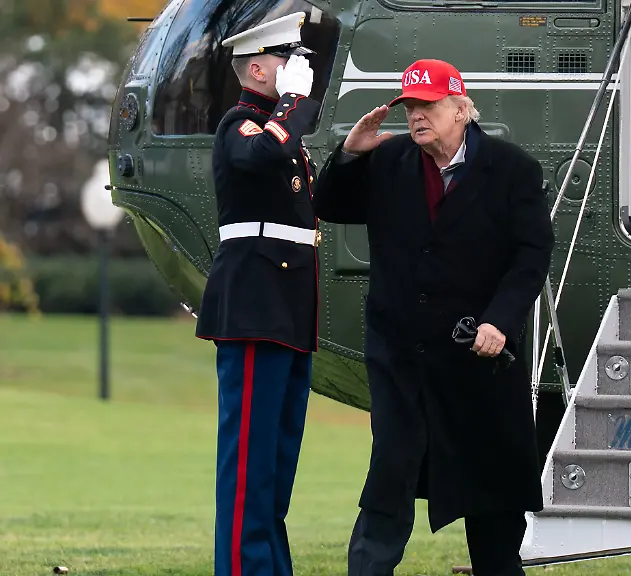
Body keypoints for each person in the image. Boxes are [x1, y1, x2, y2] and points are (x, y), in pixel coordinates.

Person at [314, 58, 555, 575]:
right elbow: (328, 204)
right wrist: (351, 153)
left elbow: (531, 256)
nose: (417, 116)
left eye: (429, 105)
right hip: (401, 355)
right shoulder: (387, 160)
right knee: (391, 469)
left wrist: (500, 320)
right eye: (410, 106)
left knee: (489, 486)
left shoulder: (513, 169)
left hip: (481, 357)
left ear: (461, 108)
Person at [193, 11, 322, 576]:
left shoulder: (283, 136)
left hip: (287, 310)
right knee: (248, 461)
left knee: (275, 462)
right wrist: (292, 107)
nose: (296, 68)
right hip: (253, 307)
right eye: (284, 59)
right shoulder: (241, 125)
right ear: (256, 68)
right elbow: (254, 156)